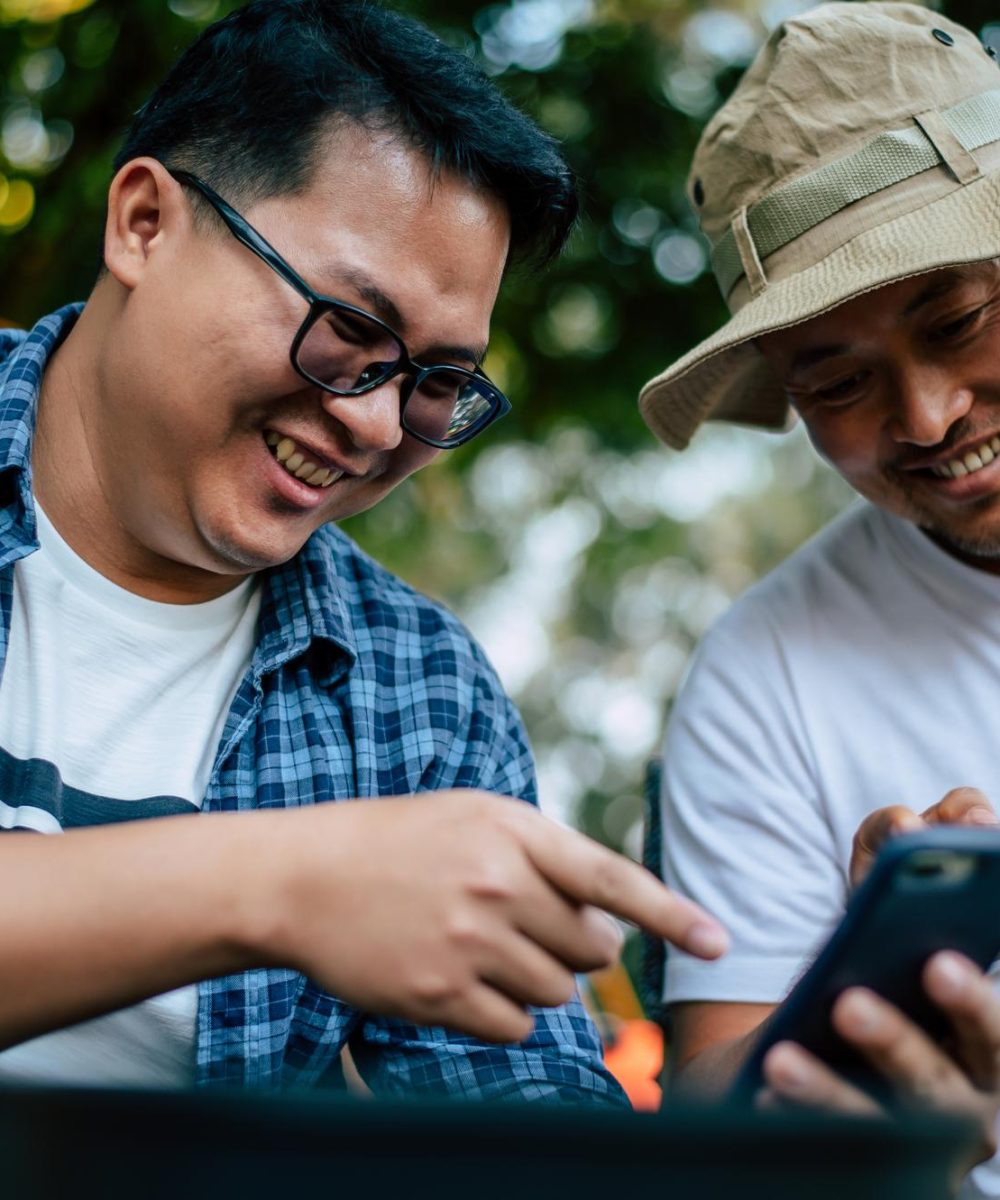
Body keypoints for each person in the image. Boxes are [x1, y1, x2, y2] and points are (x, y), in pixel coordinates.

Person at [0, 0, 729, 1097]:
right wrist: (283, 886)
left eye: (436, 382)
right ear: (145, 222)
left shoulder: (421, 691)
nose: (381, 426)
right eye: (349, 330)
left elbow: (517, 1119)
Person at [637, 2, 1000, 1192]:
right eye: (838, 381)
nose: (928, 417)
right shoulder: (767, 674)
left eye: (955, 318)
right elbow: (710, 1119)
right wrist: (850, 1007)